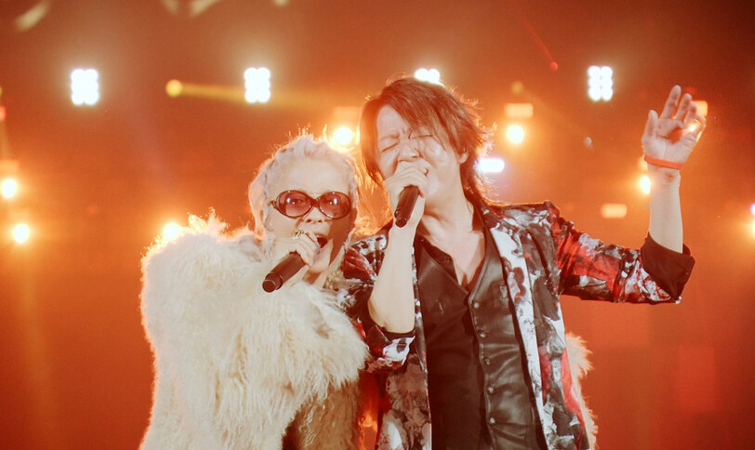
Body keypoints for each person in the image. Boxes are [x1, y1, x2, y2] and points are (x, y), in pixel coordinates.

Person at [341, 77, 703, 450]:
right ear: (379, 170)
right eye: (390, 144)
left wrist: (665, 177)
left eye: (421, 134)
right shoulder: (367, 259)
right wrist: (402, 231)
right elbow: (385, 351)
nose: (407, 152)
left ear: (461, 147)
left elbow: (654, 279)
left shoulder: (535, 233)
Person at [139, 134, 370, 449]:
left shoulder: (351, 309)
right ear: (265, 216)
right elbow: (230, 424)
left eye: (332, 202)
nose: (315, 215)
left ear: (351, 219)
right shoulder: (207, 283)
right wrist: (279, 291)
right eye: (295, 201)